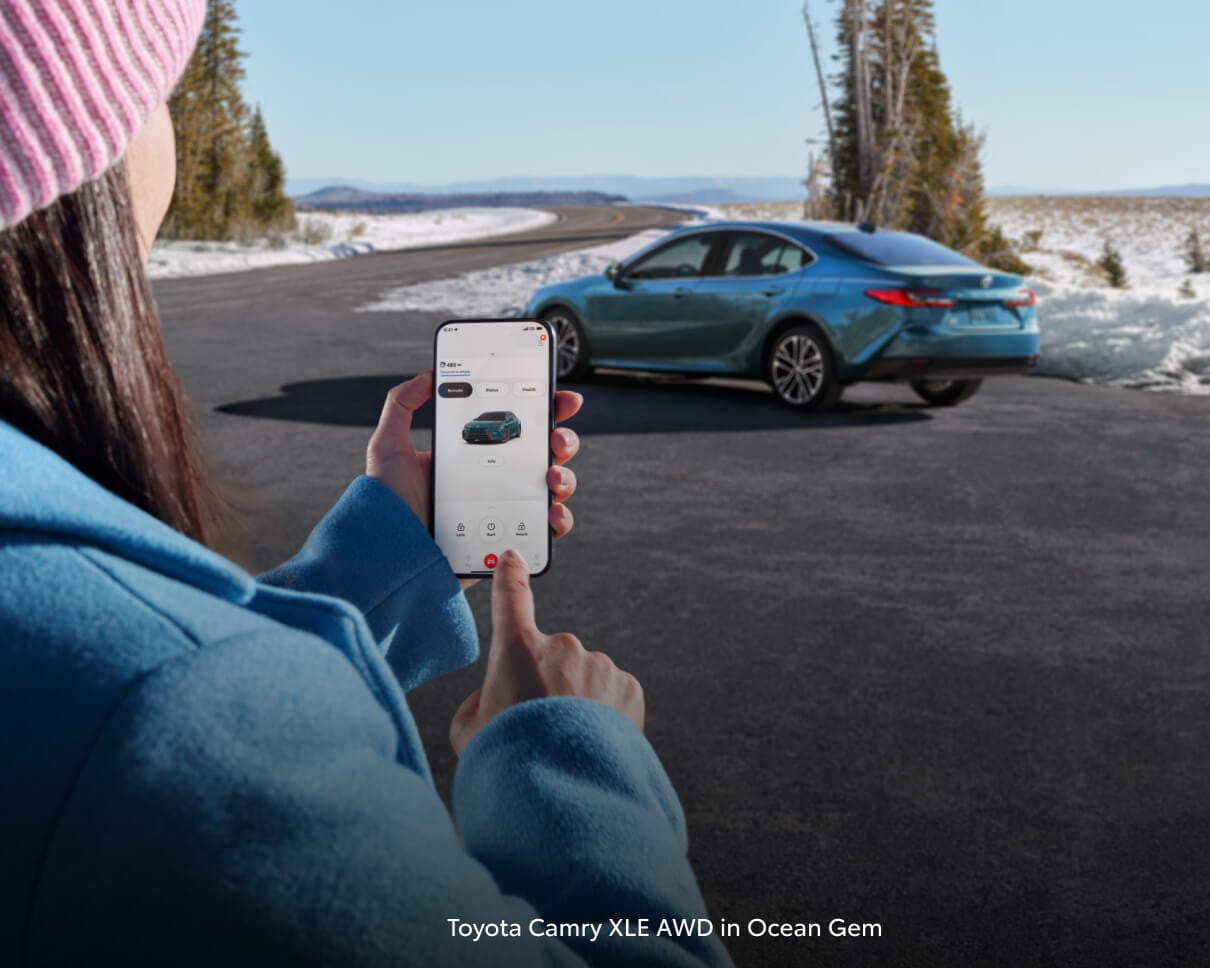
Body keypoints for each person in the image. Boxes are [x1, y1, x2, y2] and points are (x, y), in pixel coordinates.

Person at [0, 2, 729, 965]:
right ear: (68, 139)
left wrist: (387, 558)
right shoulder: (170, 713)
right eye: (157, 91)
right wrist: (573, 758)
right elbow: (179, 708)